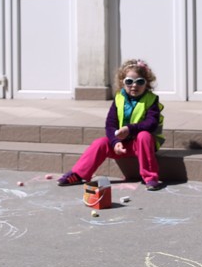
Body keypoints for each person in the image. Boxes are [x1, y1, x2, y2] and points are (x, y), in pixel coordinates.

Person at [58, 58, 166, 190]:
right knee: (100, 143)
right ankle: (78, 174)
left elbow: (152, 123)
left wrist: (130, 129)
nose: (134, 85)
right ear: (122, 82)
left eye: (140, 82)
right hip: (122, 144)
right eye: (129, 81)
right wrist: (115, 142)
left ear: (147, 83)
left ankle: (150, 178)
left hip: (142, 145)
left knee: (144, 135)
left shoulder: (151, 100)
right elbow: (110, 124)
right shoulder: (119, 98)